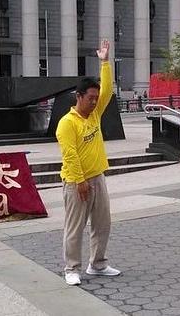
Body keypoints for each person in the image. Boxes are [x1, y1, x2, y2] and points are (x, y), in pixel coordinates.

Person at [55, 40, 121, 286]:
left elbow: (107, 91)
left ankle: (98, 263)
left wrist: (105, 62)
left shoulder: (94, 114)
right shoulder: (67, 123)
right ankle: (72, 268)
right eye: (90, 98)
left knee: (103, 223)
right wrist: (80, 181)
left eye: (96, 98)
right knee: (75, 227)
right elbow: (69, 155)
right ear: (78, 96)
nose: (95, 102)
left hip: (98, 176)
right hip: (76, 182)